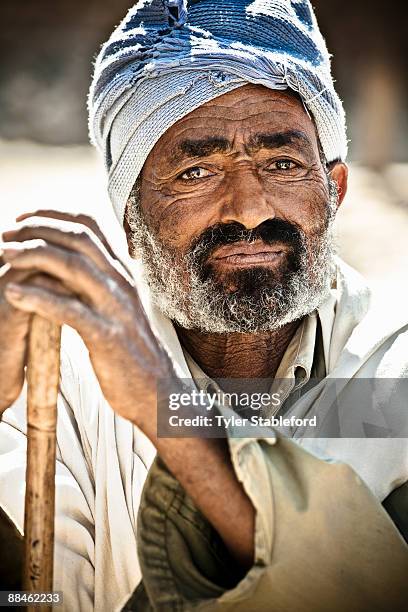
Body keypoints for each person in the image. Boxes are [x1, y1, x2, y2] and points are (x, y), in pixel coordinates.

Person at [1, 1, 407, 610]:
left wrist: (164, 410)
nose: (249, 207)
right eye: (196, 171)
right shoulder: (61, 386)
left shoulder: (397, 367)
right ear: (131, 221)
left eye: (282, 164)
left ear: (335, 191)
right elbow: (29, 597)